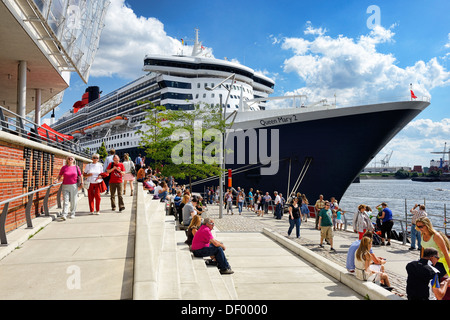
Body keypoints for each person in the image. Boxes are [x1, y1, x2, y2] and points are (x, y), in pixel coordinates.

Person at [55, 156, 82, 220]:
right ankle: (64, 214)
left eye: (71, 159)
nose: (70, 160)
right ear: (67, 160)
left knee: (73, 201)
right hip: (65, 185)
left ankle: (72, 213)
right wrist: (56, 180)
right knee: (65, 201)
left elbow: (80, 176)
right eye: (69, 159)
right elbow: (59, 176)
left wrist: (81, 184)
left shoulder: (76, 167)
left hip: (74, 185)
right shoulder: (64, 167)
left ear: (73, 160)